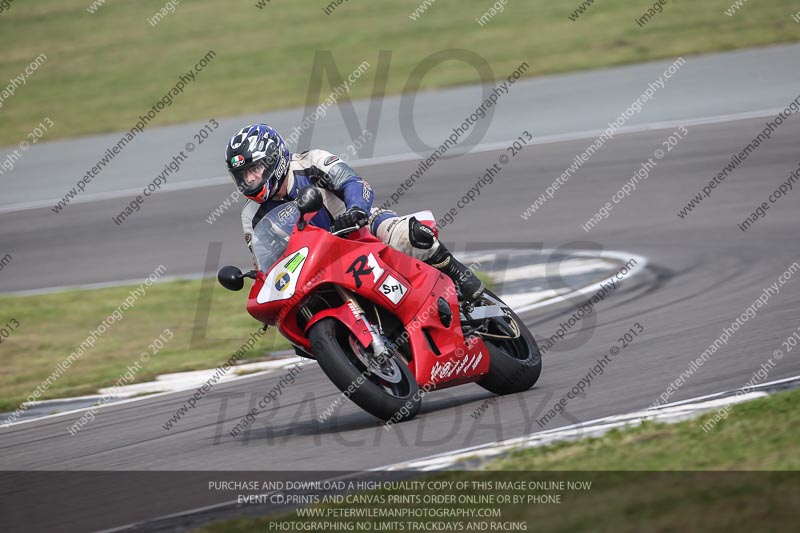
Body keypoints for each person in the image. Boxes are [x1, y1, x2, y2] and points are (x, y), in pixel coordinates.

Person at [224, 123, 484, 302]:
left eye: (253, 170)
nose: (249, 179)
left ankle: (459, 275)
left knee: (410, 235)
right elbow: (265, 260)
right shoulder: (251, 216)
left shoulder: (311, 162)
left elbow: (352, 182)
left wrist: (357, 209)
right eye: (242, 175)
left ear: (273, 159)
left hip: (358, 229)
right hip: (315, 266)